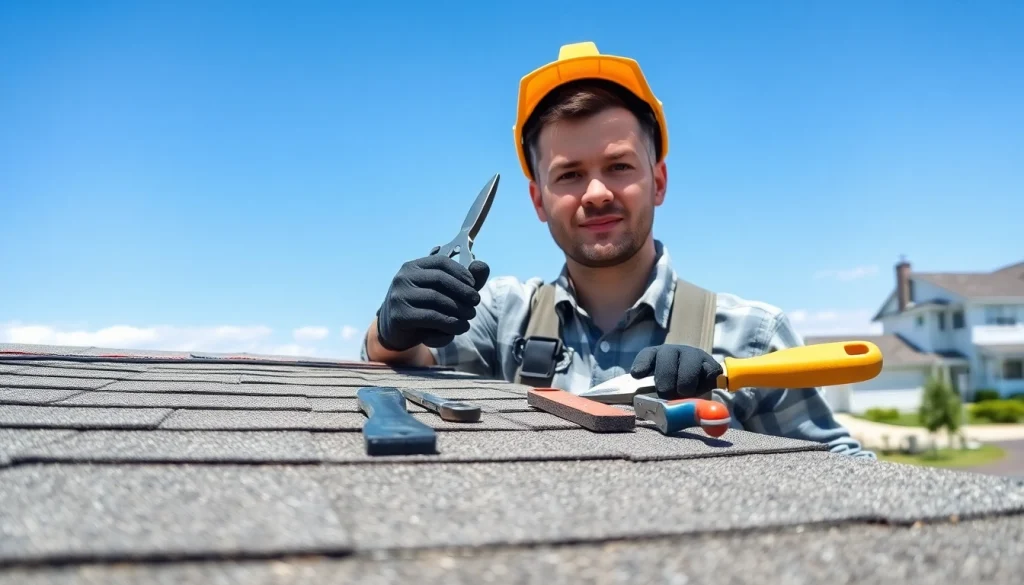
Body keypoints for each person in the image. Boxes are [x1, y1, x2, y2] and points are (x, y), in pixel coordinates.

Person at [362, 42, 874, 458]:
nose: (597, 192)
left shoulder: (755, 337)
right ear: (539, 200)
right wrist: (390, 328)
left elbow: (847, 476)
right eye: (569, 174)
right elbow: (401, 374)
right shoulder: (499, 318)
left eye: (619, 166)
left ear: (659, 180)